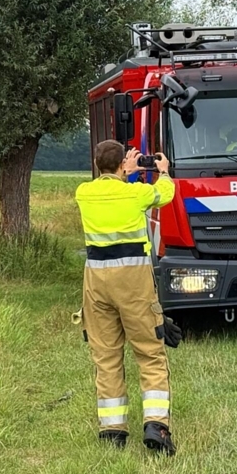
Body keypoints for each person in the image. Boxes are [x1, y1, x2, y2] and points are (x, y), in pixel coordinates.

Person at [75, 140, 180, 455]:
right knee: (149, 352)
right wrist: (161, 171)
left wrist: (124, 170)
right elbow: (166, 193)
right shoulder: (137, 193)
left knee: (106, 356)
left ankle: (113, 430)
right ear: (123, 164)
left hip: (96, 280)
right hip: (133, 279)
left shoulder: (84, 193)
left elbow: (108, 190)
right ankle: (156, 425)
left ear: (96, 165)